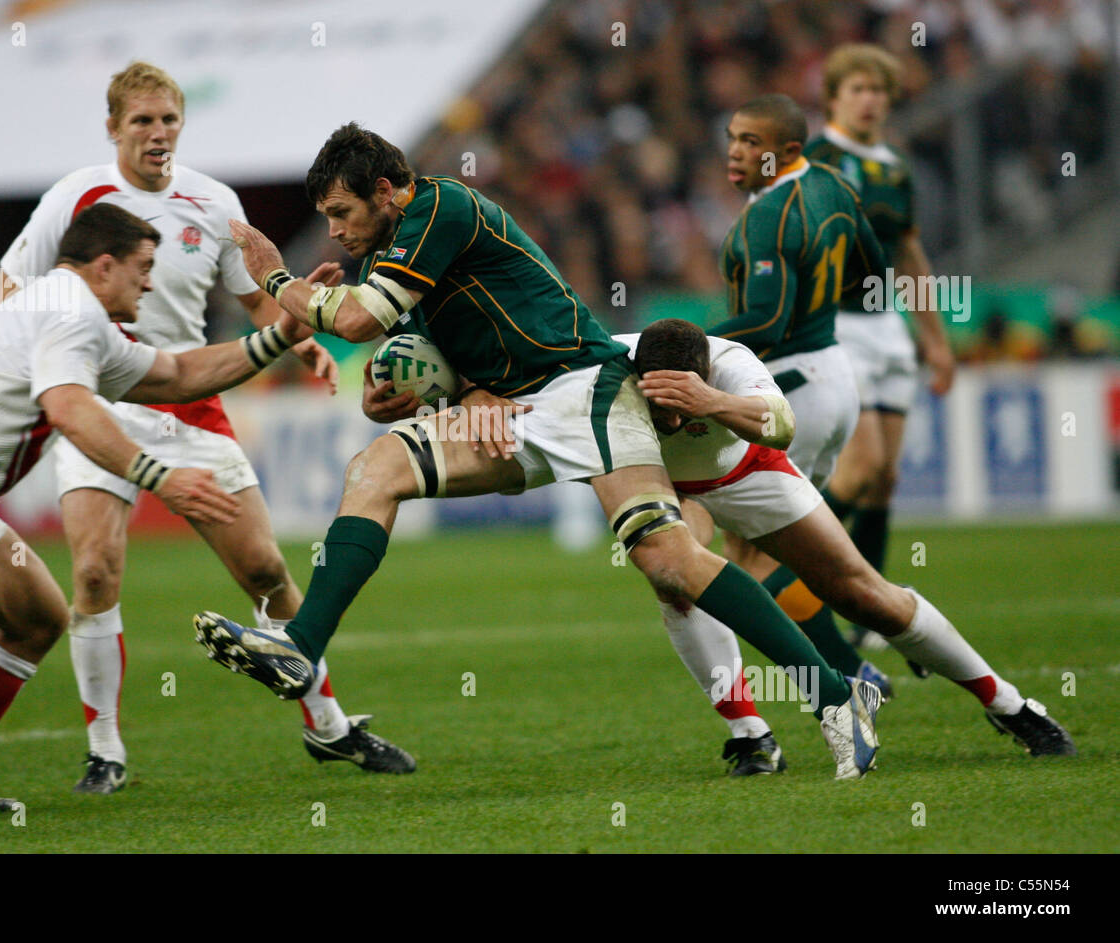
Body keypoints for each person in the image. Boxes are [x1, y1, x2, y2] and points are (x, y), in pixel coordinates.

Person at [195, 122, 884, 781]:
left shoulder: (441, 203)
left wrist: (276, 279)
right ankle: (301, 646)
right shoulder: (386, 257)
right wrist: (410, 395)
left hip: (586, 388)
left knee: (669, 561)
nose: (336, 230)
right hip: (513, 412)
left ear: (385, 189)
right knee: (374, 469)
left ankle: (832, 696)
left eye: (342, 211)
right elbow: (423, 358)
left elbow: (355, 317)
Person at [0, 204, 314, 829]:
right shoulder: (69, 311)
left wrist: (277, 337)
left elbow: (181, 374)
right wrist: (161, 477)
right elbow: (72, 410)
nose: (151, 283)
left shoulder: (78, 317)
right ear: (104, 265)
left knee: (38, 620)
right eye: (143, 268)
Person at [0, 62, 412, 789]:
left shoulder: (214, 202)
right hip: (103, 403)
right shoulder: (75, 196)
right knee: (94, 570)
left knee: (265, 569)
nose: (157, 134)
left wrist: (304, 338)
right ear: (113, 128)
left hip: (191, 401)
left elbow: (253, 301)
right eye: (142, 122)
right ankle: (105, 749)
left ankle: (330, 726)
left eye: (168, 121)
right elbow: (8, 286)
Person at [629, 319, 1074, 774]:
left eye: (683, 404)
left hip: (751, 473)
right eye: (662, 407)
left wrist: (713, 401)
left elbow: (781, 425)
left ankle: (1009, 704)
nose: (676, 421)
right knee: (672, 575)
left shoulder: (730, 362)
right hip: (673, 488)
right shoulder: (608, 371)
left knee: (863, 595)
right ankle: (752, 738)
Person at [707, 93, 899, 696]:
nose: (736, 152)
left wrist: (685, 346)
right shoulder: (834, 187)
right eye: (734, 137)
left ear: (788, 150)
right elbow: (872, 267)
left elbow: (764, 322)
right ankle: (861, 658)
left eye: (752, 143)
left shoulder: (768, 216)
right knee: (780, 545)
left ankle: (851, 670)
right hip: (834, 374)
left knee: (752, 556)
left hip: (789, 390)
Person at [805, 44, 957, 655]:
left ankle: (867, 609)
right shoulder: (815, 159)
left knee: (885, 479)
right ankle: (783, 565)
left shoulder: (894, 165)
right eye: (857, 89)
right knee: (860, 466)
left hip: (886, 326)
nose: (870, 100)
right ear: (834, 98)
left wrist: (935, 340)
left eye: (879, 90)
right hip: (835, 326)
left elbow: (910, 255)